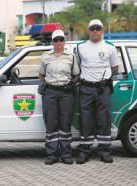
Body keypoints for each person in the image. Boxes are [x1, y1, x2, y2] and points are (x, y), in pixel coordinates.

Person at [75, 19, 119, 164]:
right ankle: (84, 151)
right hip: (86, 88)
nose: (95, 31)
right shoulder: (80, 47)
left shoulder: (110, 47)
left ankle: (104, 151)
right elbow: (77, 68)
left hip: (103, 89)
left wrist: (104, 80)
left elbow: (114, 68)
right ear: (88, 31)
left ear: (102, 30)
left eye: (98, 28)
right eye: (92, 28)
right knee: (85, 119)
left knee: (103, 119)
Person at [38, 29, 80, 165]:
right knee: (51, 124)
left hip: (66, 93)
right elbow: (41, 75)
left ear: (64, 41)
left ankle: (66, 154)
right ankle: (51, 155)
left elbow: (76, 74)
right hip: (50, 93)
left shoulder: (71, 56)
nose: (59, 42)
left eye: (61, 39)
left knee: (65, 123)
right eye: (56, 40)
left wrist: (72, 83)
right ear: (52, 42)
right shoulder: (46, 56)